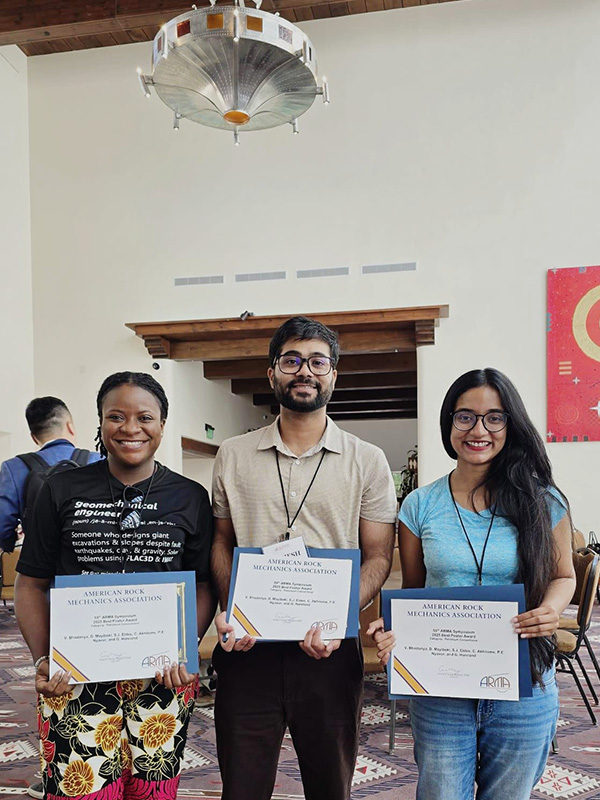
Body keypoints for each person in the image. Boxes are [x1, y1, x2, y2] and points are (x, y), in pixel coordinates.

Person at [210, 316, 398, 800]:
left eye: (318, 361)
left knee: (330, 787)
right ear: (272, 372)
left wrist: (337, 618)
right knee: (242, 788)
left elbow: (378, 557)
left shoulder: (367, 460)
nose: (304, 371)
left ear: (334, 373)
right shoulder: (232, 454)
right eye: (291, 360)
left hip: (330, 652)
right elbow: (221, 541)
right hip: (247, 650)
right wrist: (232, 608)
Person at [14, 372, 215, 800]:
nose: (130, 428)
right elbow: (30, 583)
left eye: (145, 417)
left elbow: (201, 586)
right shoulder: (61, 489)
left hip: (161, 679)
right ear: (100, 423)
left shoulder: (190, 496)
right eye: (116, 416)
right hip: (75, 679)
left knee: (152, 791)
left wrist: (185, 647)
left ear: (162, 424)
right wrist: (42, 660)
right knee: (79, 791)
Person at [380, 368, 576, 800]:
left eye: (494, 418)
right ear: (449, 422)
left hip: (524, 677)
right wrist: (392, 628)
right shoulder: (419, 504)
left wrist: (553, 609)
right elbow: (414, 592)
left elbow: (564, 575)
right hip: (440, 682)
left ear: (511, 424)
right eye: (465, 416)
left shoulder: (543, 500)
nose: (479, 430)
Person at [0, 396, 101, 553]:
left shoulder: (14, 467)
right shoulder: (97, 460)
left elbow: (3, 526)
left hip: (39, 565)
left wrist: (9, 545)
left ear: (34, 437)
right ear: (70, 426)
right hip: (88, 562)